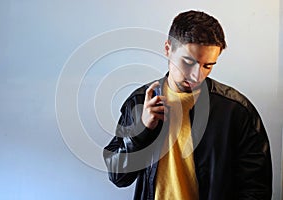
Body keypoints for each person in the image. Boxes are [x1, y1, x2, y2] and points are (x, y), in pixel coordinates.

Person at [103, 10, 272, 200]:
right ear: (168, 49)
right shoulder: (140, 102)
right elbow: (118, 176)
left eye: (208, 65)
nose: (196, 75)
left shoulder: (236, 110)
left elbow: (256, 189)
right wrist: (141, 130)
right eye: (188, 62)